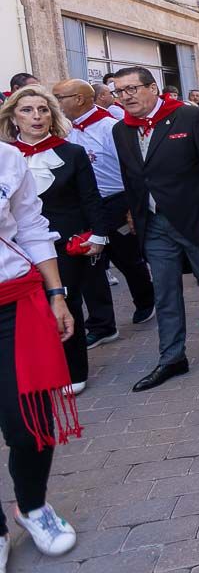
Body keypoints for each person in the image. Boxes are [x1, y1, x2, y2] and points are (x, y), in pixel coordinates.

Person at [110, 66, 199, 391]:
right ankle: (172, 357)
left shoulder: (190, 118)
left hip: (197, 219)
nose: (126, 96)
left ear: (153, 88)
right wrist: (133, 213)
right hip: (154, 225)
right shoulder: (121, 130)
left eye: (132, 89)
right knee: (164, 292)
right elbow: (131, 176)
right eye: (120, 91)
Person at [0, 141, 81, 562]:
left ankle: (32, 506)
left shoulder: (7, 159)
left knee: (29, 423)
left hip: (13, 303)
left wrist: (56, 294)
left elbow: (32, 226)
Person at [0, 86, 106, 394]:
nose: (37, 117)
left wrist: (98, 234)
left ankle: (74, 370)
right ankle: (39, 368)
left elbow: (90, 197)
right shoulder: (6, 157)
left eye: (43, 109)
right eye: (27, 110)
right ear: (13, 118)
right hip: (15, 248)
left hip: (63, 242)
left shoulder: (70, 152)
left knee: (64, 300)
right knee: (28, 310)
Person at [53, 79, 155, 343]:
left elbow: (132, 168)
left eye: (59, 97)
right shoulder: (64, 130)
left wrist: (133, 207)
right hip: (85, 206)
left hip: (116, 202)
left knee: (127, 258)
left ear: (78, 99)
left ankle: (146, 299)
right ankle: (102, 324)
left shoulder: (111, 127)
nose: (55, 102)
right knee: (90, 265)